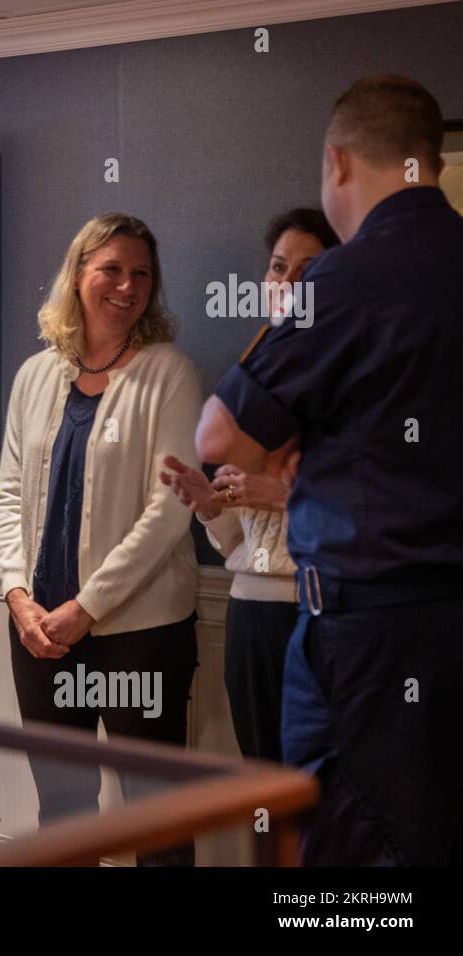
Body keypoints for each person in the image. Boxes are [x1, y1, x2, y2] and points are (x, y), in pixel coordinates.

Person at [196, 75, 463, 866]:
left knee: (350, 855)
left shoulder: (343, 282)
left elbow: (220, 436)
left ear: (338, 163)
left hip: (367, 632)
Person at [0, 213, 203, 865]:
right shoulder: (35, 375)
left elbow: (169, 510)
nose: (127, 285)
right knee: (63, 808)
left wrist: (86, 610)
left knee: (153, 815)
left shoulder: (169, 373)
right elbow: (8, 494)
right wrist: (17, 595)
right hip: (40, 633)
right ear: (78, 274)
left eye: (142, 273)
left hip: (139, 635)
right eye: (110, 268)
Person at [161, 208, 338, 762]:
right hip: (247, 612)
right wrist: (212, 505)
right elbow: (239, 542)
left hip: (318, 613)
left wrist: (284, 497)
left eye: (307, 270)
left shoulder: (354, 371)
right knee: (261, 780)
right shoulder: (251, 374)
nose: (287, 283)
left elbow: (378, 513)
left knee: (320, 790)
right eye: (278, 268)